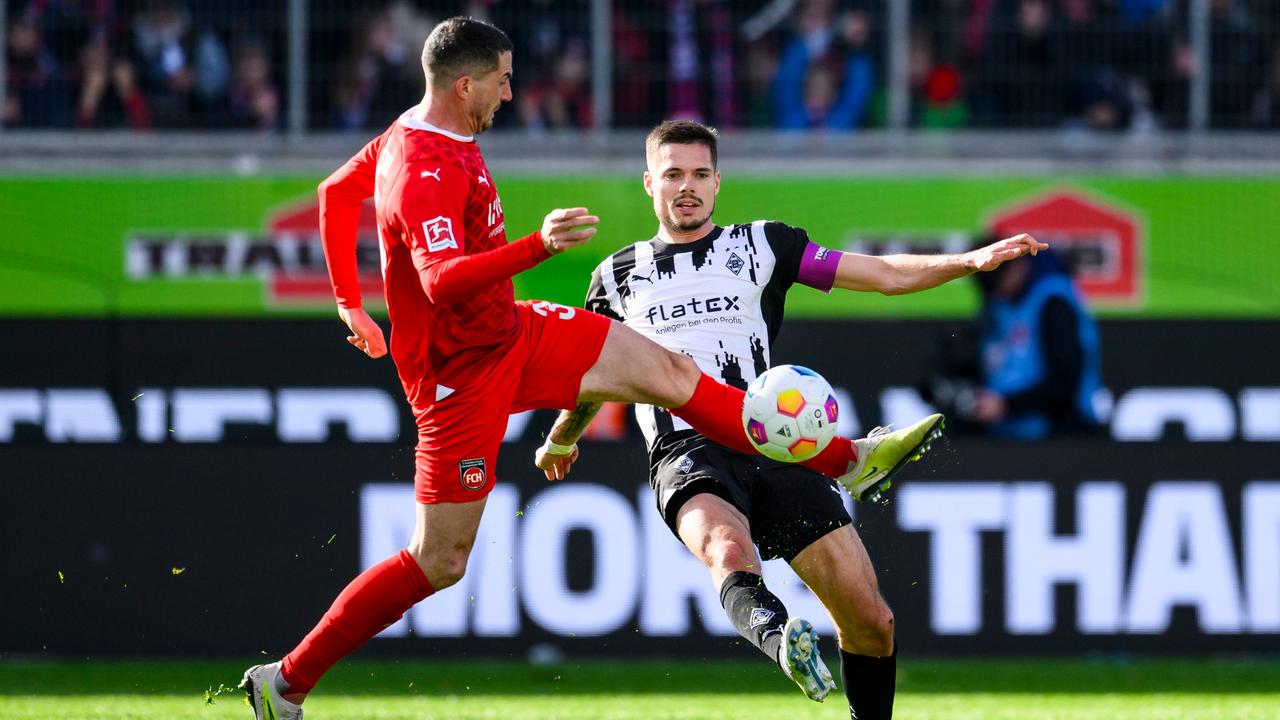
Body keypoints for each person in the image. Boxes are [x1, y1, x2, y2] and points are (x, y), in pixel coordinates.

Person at [237, 18, 940, 720]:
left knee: (669, 373)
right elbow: (445, 280)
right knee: (439, 560)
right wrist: (536, 246)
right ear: (464, 83)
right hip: (458, 379)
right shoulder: (421, 169)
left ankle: (849, 460)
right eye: (503, 80)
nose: (510, 93)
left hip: (514, 329)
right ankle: (287, 682)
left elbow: (333, 194)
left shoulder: (414, 131)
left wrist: (347, 304)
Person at [533, 120, 1046, 719]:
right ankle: (783, 643)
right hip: (687, 452)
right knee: (728, 552)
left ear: (718, 182)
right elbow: (595, 375)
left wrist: (969, 261)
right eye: (673, 175)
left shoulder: (762, 245)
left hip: (775, 443)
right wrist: (560, 437)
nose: (687, 187)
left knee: (871, 622)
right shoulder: (615, 277)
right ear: (650, 183)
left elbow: (878, 275)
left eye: (700, 174)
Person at [959, 242, 1102, 439]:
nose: (994, 291)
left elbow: (1064, 381)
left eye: (995, 279)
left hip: (1060, 432)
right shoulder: (998, 307)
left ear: (1019, 266)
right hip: (1009, 433)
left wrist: (1006, 404)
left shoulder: (1054, 304)